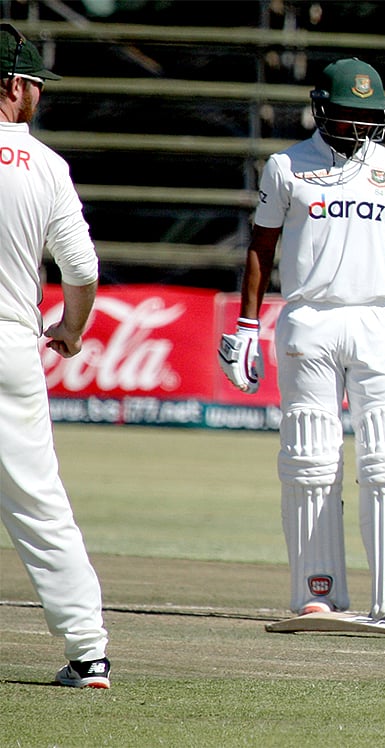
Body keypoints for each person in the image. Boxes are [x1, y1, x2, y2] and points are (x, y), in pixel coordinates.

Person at [218, 57, 385, 623]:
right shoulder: (286, 166)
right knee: (311, 459)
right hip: (307, 321)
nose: (358, 129)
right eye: (347, 116)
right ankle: (317, 593)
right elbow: (261, 247)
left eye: (368, 118)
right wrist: (247, 326)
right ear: (323, 110)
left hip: (374, 320)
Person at [0, 23, 111, 688]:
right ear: (12, 86)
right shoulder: (46, 165)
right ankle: (89, 651)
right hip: (12, 344)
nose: (41, 94)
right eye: (36, 84)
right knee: (40, 504)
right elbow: (83, 269)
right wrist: (69, 330)